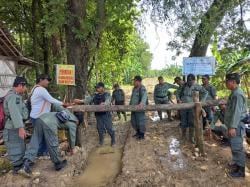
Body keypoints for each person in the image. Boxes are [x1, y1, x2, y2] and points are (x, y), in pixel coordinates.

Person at [22, 104, 78, 175]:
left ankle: (27, 161)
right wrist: (72, 148)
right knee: (53, 143)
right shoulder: (73, 124)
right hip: (50, 123)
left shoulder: (67, 112)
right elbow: (72, 136)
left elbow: (56, 106)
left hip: (41, 118)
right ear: (78, 121)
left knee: (35, 141)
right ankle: (58, 163)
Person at [30, 74, 65, 156]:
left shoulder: (35, 88)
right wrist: (63, 103)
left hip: (35, 116)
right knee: (44, 136)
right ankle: (42, 153)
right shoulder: (41, 90)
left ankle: (41, 152)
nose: (48, 82)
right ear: (41, 80)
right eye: (47, 80)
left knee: (40, 136)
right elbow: (51, 99)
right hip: (40, 117)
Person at [3, 76, 29, 174]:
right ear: (20, 85)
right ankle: (17, 170)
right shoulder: (13, 97)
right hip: (13, 127)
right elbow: (15, 113)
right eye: (25, 86)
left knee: (19, 147)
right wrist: (21, 128)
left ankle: (19, 167)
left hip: (14, 127)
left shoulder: (14, 95)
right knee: (16, 148)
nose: (25, 89)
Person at [224, 73, 247, 178]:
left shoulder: (237, 94)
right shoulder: (234, 92)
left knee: (237, 148)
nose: (225, 84)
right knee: (234, 146)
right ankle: (237, 164)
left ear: (233, 82)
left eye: (227, 82)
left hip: (236, 125)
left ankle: (241, 171)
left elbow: (237, 112)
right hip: (234, 124)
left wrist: (232, 127)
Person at [177, 74, 208, 143]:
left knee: (192, 122)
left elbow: (205, 92)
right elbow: (177, 93)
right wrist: (178, 99)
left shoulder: (197, 86)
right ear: (187, 81)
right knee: (183, 122)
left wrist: (201, 102)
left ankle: (191, 138)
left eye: (191, 81)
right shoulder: (184, 86)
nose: (190, 82)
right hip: (183, 106)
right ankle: (183, 137)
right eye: (189, 81)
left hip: (192, 107)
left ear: (194, 80)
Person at [130, 75, 148, 140]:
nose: (133, 82)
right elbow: (132, 98)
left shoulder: (142, 88)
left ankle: (142, 135)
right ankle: (137, 132)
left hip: (139, 109)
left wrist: (142, 103)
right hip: (133, 109)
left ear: (138, 81)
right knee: (134, 122)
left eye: (134, 81)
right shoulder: (134, 88)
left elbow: (145, 95)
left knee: (140, 122)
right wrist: (130, 105)